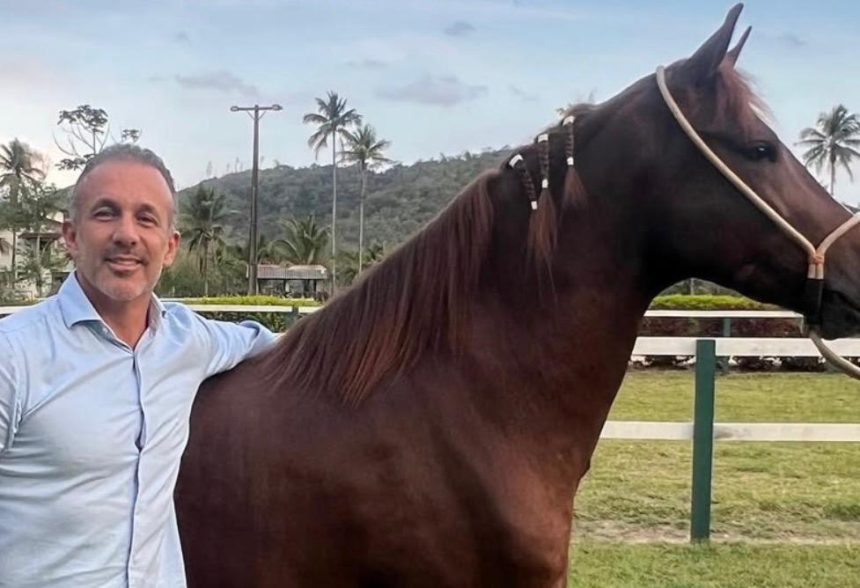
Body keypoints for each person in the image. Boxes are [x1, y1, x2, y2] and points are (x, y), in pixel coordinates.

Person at [0, 144, 277, 587]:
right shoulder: (12, 356)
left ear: (169, 247)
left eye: (145, 218)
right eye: (106, 213)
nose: (127, 234)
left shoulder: (189, 341)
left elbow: (277, 342)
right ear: (71, 236)